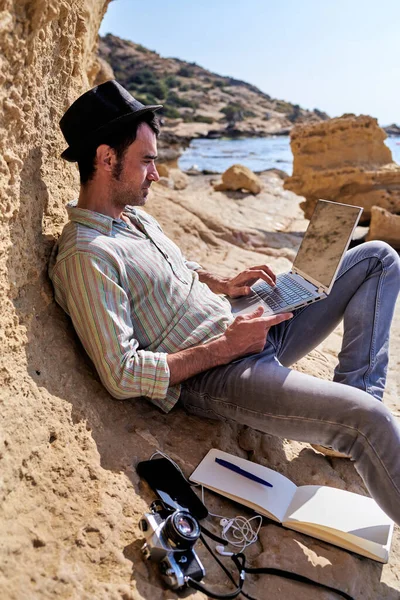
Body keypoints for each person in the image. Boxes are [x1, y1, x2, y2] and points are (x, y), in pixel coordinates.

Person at [49, 80, 400, 524]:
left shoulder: (132, 216)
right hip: (221, 372)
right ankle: (353, 422)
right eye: (148, 161)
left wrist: (224, 282)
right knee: (372, 420)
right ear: (106, 159)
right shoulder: (88, 253)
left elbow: (177, 268)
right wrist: (226, 348)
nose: (157, 174)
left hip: (243, 322)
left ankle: (343, 413)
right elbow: (121, 373)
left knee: (377, 258)